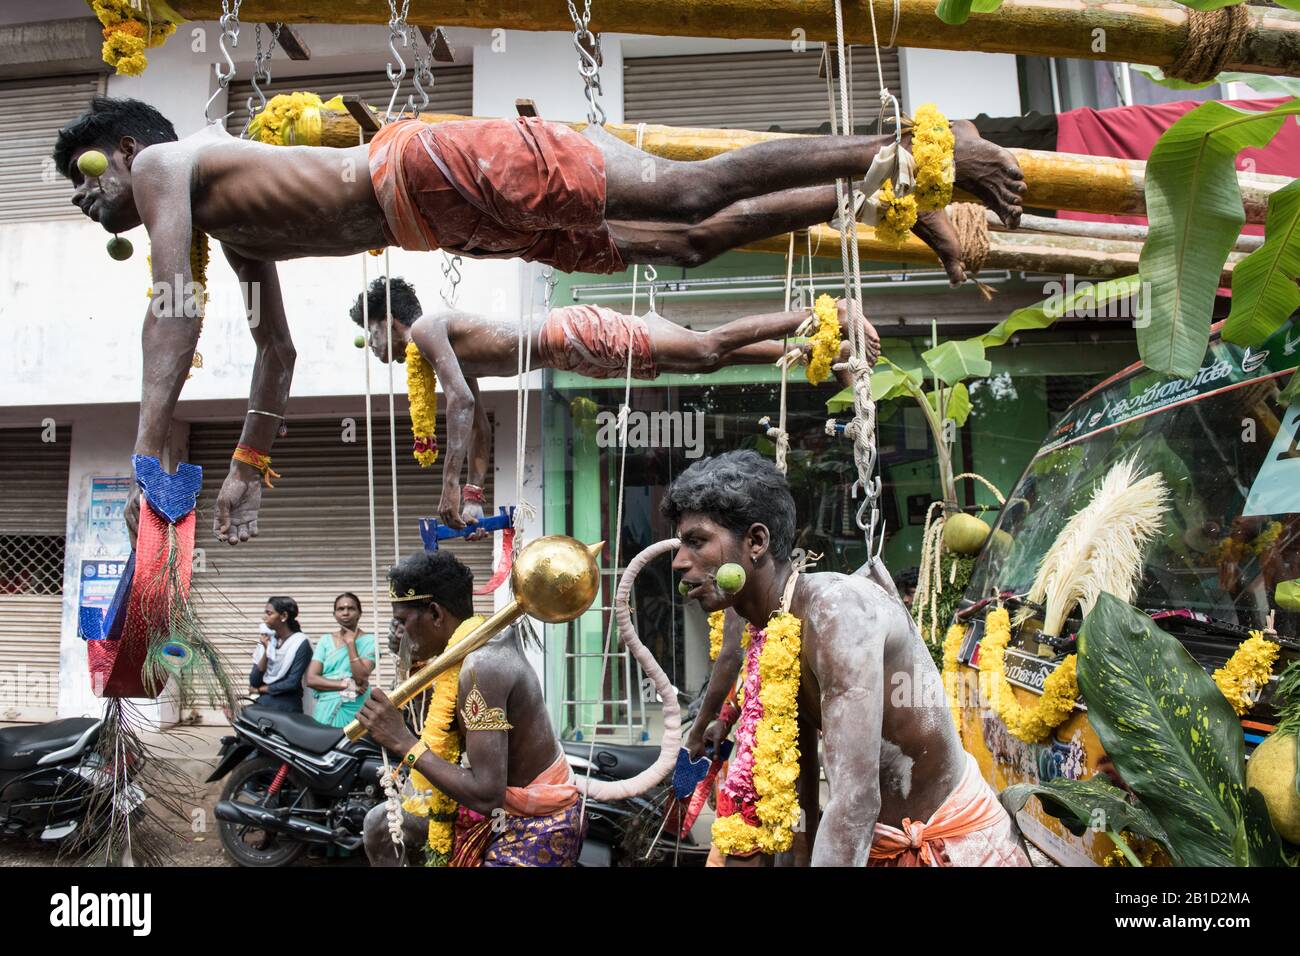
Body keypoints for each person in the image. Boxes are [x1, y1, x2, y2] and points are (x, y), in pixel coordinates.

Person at [53, 97, 1024, 546]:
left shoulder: (161, 167)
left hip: (428, 166)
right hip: (452, 219)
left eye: (80, 188)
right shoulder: (235, 227)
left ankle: (920, 150)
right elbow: (276, 350)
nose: (89, 210)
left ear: (123, 152)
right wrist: (247, 469)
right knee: (677, 242)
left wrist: (148, 452)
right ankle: (860, 195)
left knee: (681, 193)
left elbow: (170, 311)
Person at [670, 450, 1030, 867]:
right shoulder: (765, 625)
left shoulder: (836, 612)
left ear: (756, 542)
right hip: (876, 849)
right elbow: (800, 786)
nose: (679, 561)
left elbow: (856, 801)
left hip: (957, 847)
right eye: (680, 544)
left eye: (696, 541)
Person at [351, 276, 878, 530]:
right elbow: (482, 426)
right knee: (706, 359)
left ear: (386, 322)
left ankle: (825, 310)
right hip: (577, 353)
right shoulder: (430, 349)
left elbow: (461, 405)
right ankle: (814, 350)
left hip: (573, 335)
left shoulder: (423, 329)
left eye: (370, 338)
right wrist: (471, 493)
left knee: (704, 347)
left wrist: (446, 489)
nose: (373, 351)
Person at [356, 550, 583, 867]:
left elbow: (486, 794)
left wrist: (402, 742)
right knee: (379, 825)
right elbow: (445, 727)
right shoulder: (470, 647)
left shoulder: (482, 667)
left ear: (435, 614)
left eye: (402, 621)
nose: (398, 631)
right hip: (505, 813)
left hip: (532, 828)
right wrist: (408, 660)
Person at [305, 592, 377, 727]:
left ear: (359, 613)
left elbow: (360, 678)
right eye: (340, 609)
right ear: (334, 614)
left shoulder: (370, 641)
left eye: (351, 608)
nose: (345, 613)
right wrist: (346, 684)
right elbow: (311, 679)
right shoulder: (325, 640)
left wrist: (351, 643)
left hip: (355, 707)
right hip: (325, 707)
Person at [249, 596, 312, 714]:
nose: (264, 617)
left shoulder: (300, 643)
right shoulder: (268, 640)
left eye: (269, 613)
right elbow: (254, 680)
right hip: (263, 704)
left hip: (286, 708)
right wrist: (267, 651)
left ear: (283, 616)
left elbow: (291, 683)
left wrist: (261, 689)